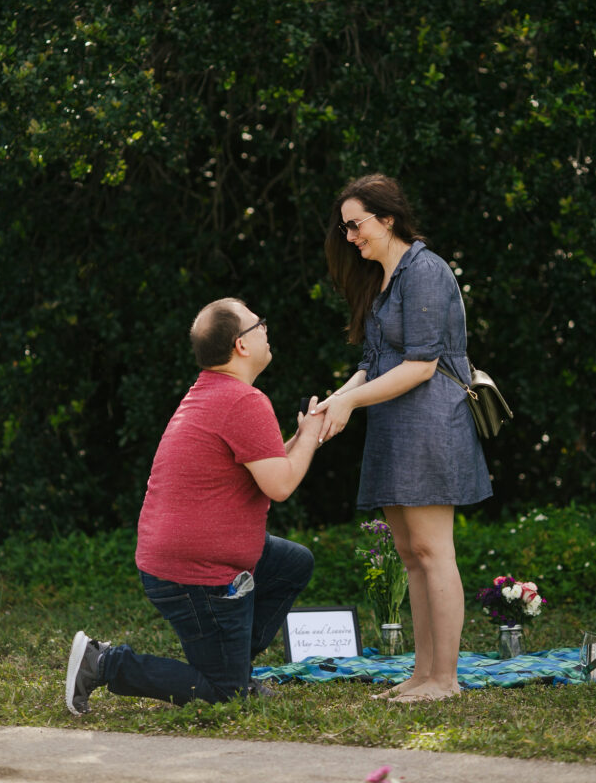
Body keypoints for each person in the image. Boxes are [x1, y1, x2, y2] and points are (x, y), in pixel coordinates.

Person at [65, 297, 324, 713]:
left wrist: (309, 435)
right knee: (223, 696)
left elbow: (269, 467)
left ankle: (233, 669)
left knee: (293, 564)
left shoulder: (215, 393)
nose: (265, 330)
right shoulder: (243, 401)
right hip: (197, 575)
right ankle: (104, 662)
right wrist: (310, 435)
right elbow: (280, 485)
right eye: (259, 325)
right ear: (241, 344)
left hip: (183, 559)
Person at [314, 173, 492, 702]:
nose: (350, 237)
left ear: (386, 218)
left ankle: (446, 680)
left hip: (432, 423)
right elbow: (373, 363)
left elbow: (420, 366)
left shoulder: (426, 271)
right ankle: (422, 674)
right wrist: (334, 400)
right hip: (394, 426)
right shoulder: (383, 279)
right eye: (345, 228)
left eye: (356, 225)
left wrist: (349, 402)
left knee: (434, 552)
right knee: (410, 554)